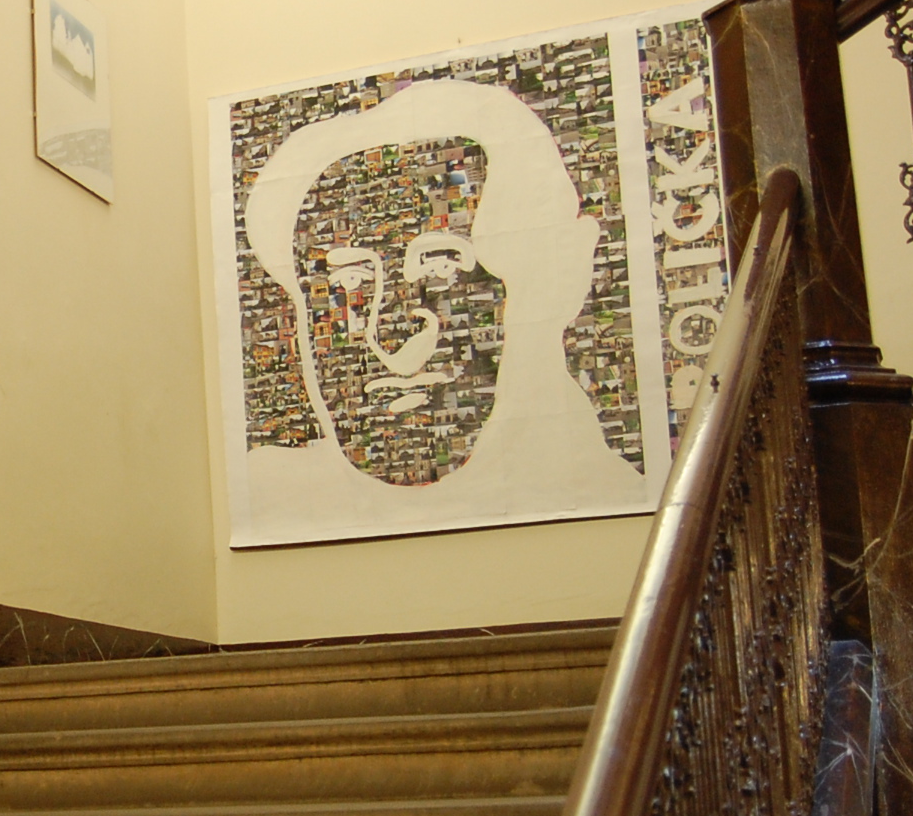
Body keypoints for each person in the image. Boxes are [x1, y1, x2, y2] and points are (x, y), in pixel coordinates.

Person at [234, 79, 645, 540]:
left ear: (559, 277)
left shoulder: (623, 516)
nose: (389, 335)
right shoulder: (274, 498)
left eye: (441, 267)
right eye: (350, 282)